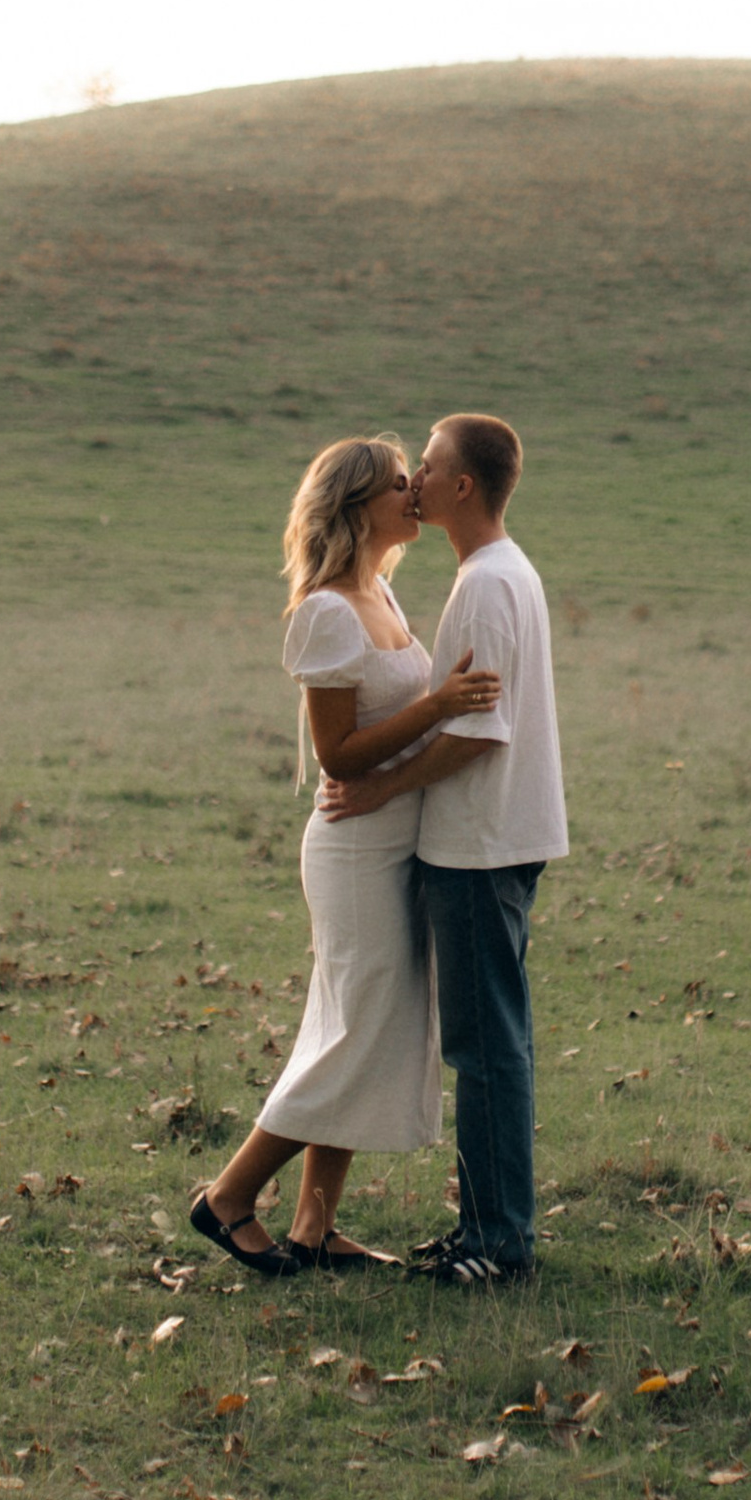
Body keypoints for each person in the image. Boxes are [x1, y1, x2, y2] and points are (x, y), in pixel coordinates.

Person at [190, 435, 500, 1276]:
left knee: (356, 1028)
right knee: (354, 1031)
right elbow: (339, 754)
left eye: (415, 479)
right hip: (356, 850)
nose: (414, 493)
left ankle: (314, 1231)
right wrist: (437, 703)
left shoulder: (385, 596)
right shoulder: (328, 609)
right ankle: (225, 1199)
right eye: (398, 484)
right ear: (358, 504)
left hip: (397, 839)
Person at [318, 413, 564, 1289]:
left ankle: (497, 1245)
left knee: (485, 1048)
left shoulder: (485, 585)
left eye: (425, 467)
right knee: (494, 1042)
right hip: (498, 836)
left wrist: (379, 788)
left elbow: (478, 733)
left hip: (476, 844)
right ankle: (489, 1229)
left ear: (463, 486)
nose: (413, 480)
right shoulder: (502, 574)